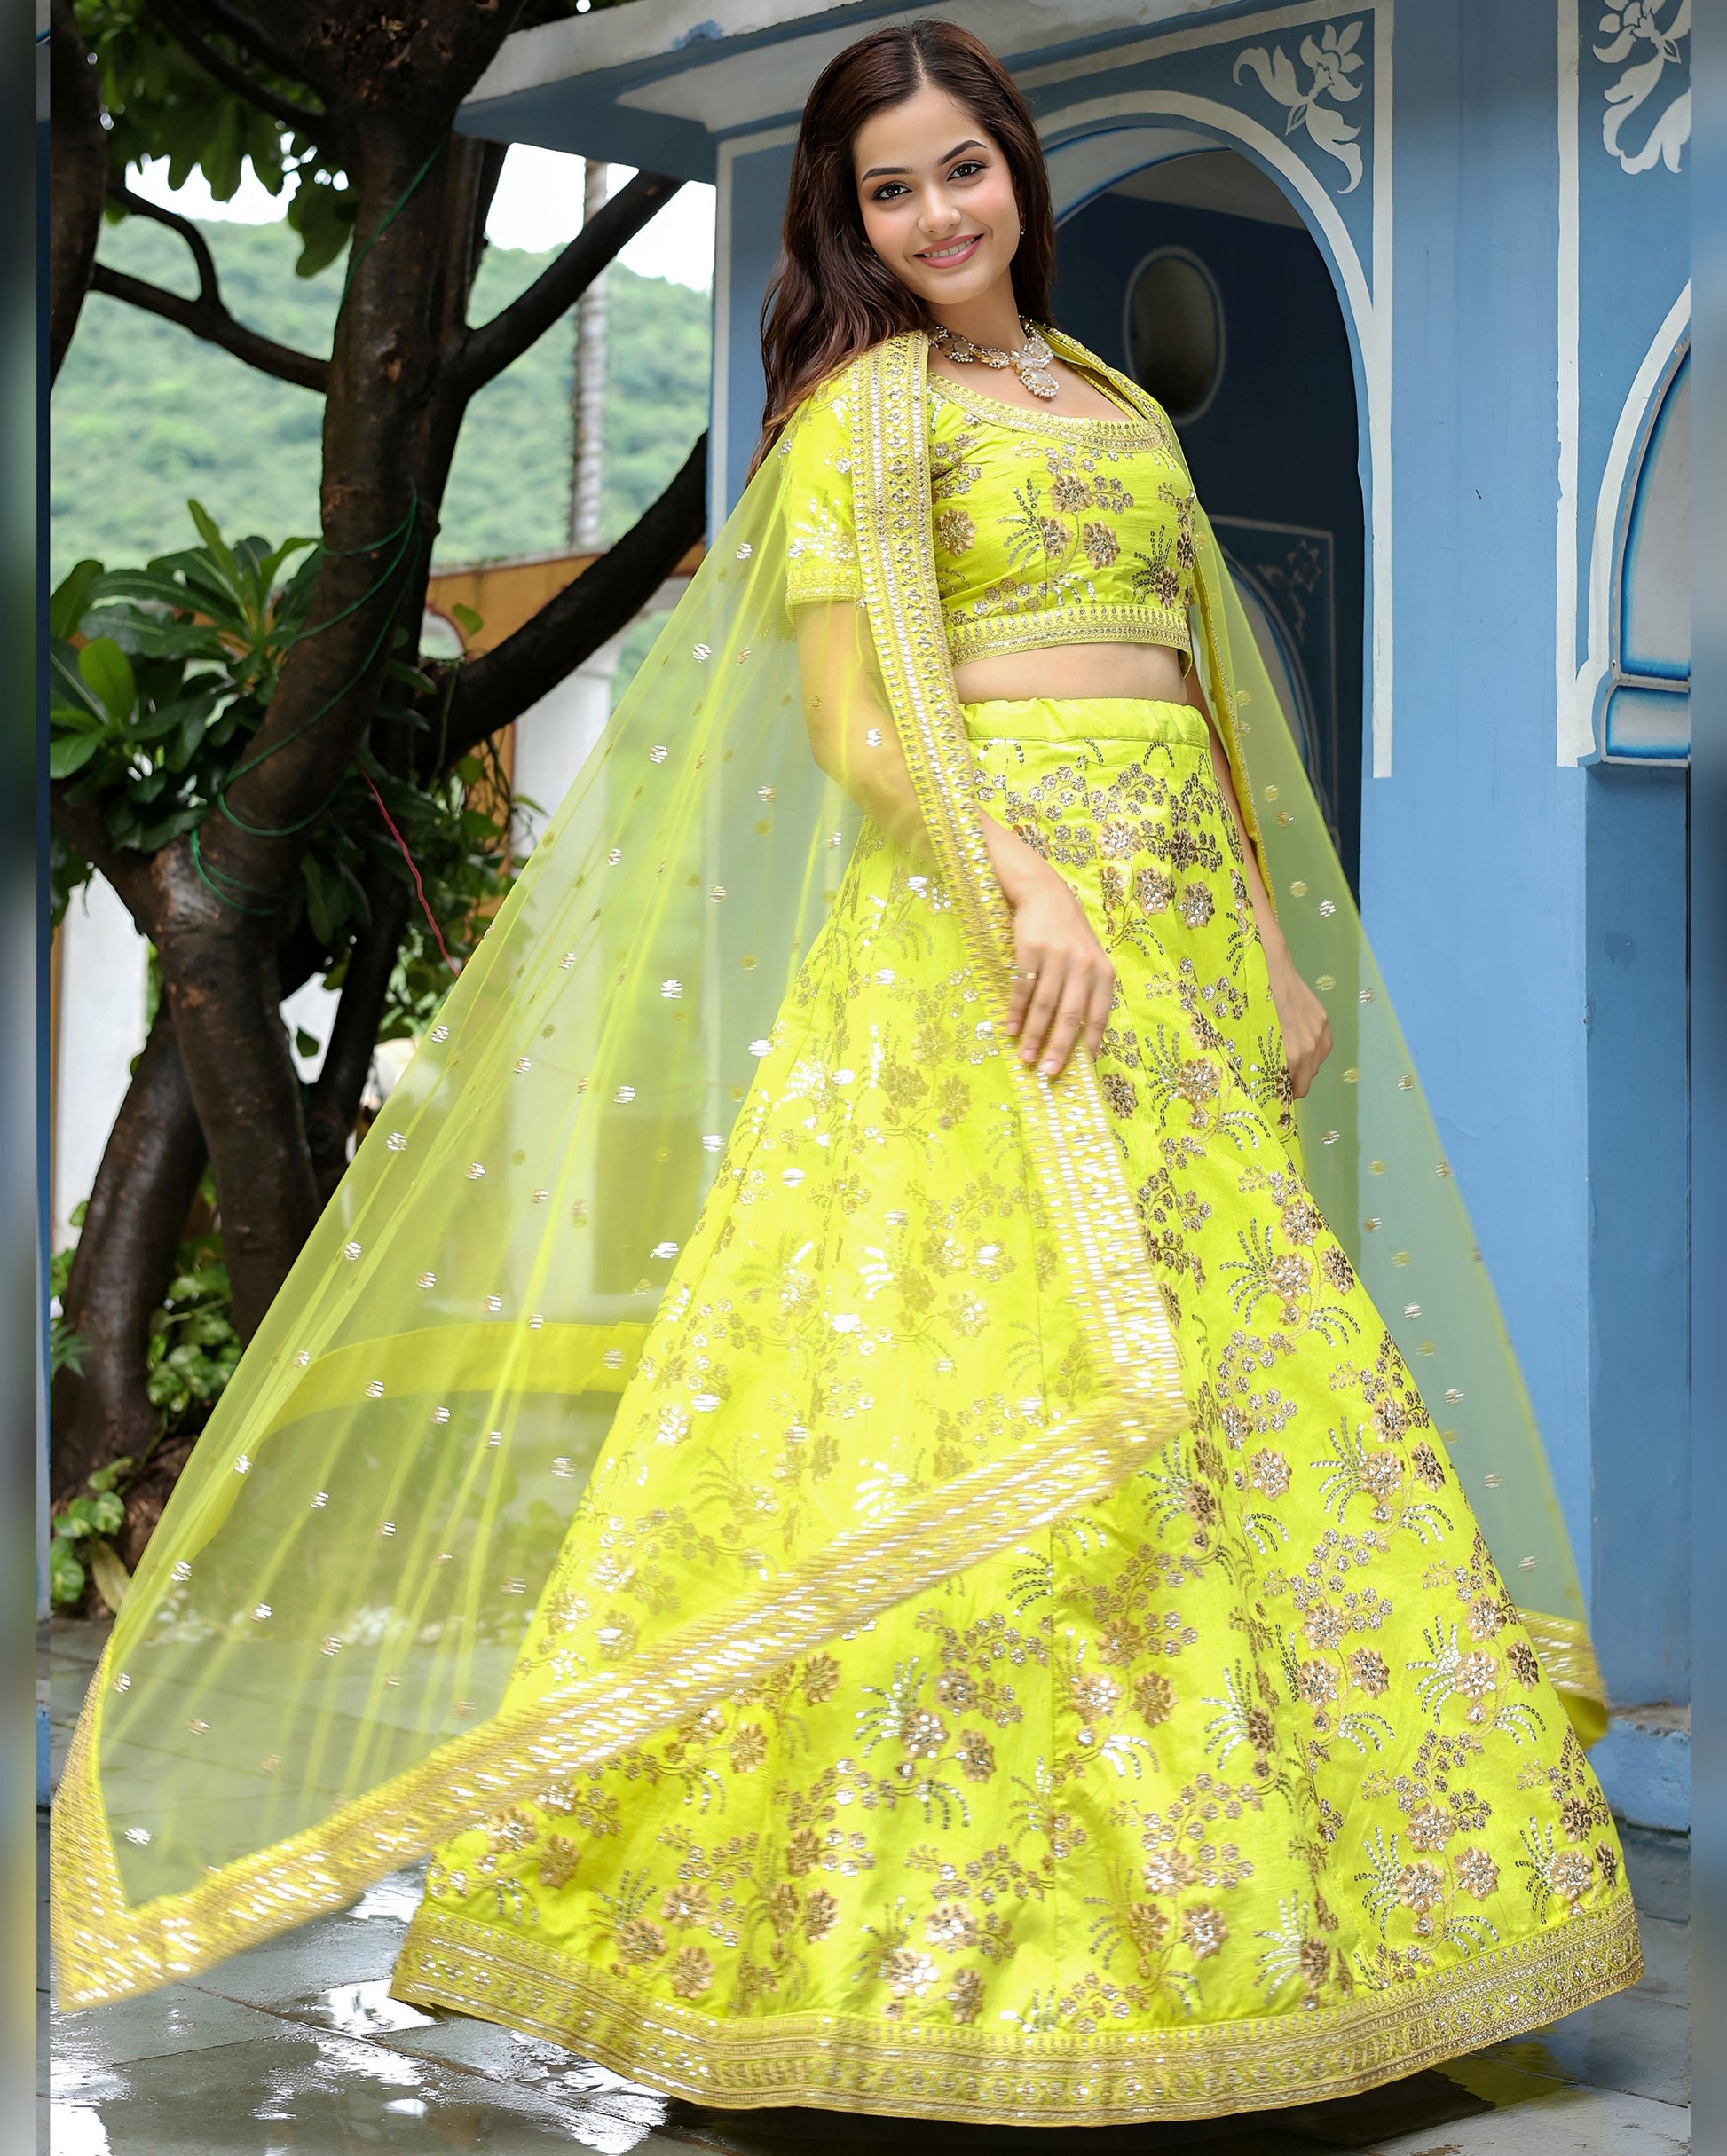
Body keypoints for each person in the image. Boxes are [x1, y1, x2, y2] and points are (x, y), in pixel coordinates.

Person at [54, 17, 1638, 2128]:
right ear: (852, 221)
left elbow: (1199, 688)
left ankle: (1288, 1927)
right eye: (890, 190)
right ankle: (908, 1951)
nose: (936, 214)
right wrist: (1021, 881)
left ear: (1016, 169)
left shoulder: (1105, 403)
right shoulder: (864, 417)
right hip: (989, 939)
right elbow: (858, 723)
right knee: (969, 1367)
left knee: (1230, 1369)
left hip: (1173, 926)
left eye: (961, 169)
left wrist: (1263, 937)